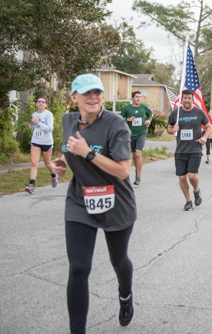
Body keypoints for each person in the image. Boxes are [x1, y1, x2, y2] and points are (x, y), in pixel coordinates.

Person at [51, 74, 137, 333]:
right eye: (87, 93)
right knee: (78, 267)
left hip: (116, 202)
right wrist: (63, 163)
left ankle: (125, 296)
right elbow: (69, 149)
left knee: (118, 260)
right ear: (73, 97)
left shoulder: (116, 123)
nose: (93, 97)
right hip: (80, 199)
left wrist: (88, 153)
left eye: (98, 92)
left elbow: (122, 171)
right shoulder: (67, 120)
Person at [166, 90, 211, 211]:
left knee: (191, 176)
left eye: (189, 98)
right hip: (180, 150)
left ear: (192, 99)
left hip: (195, 149)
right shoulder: (176, 113)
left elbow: (208, 127)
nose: (186, 100)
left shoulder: (198, 112)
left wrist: (205, 137)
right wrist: (173, 129)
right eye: (184, 98)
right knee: (182, 177)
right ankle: (188, 201)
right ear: (182, 100)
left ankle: (196, 190)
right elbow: (168, 129)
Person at [24, 96, 58, 194]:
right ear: (36, 104)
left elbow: (49, 129)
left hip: (47, 142)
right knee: (34, 163)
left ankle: (54, 175)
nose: (41, 103)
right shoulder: (34, 114)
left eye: (43, 102)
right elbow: (35, 127)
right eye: (39, 101)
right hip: (35, 140)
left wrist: (38, 122)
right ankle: (31, 185)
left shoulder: (48, 114)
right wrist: (31, 126)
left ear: (46, 104)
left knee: (47, 163)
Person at [120, 91, 152, 186]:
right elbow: (119, 119)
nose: (138, 98)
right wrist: (127, 120)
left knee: (137, 154)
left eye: (140, 97)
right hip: (129, 135)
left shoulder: (144, 107)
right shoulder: (127, 108)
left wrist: (149, 121)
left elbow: (150, 115)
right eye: (137, 97)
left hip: (141, 133)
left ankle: (138, 177)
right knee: (129, 156)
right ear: (132, 98)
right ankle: (125, 175)